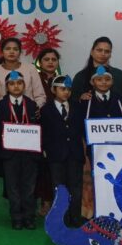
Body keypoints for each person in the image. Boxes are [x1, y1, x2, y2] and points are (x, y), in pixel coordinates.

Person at [0, 70, 40, 230]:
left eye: (19, 83)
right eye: (12, 84)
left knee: (29, 186)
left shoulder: (32, 105)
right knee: (12, 187)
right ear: (6, 87)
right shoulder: (0, 106)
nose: (16, 86)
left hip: (29, 153)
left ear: (24, 85)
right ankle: (16, 217)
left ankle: (29, 216)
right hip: (10, 154)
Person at [72, 37, 122, 143]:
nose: (103, 54)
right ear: (92, 52)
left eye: (107, 51)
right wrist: (80, 99)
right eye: (99, 50)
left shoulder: (120, 76)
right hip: (90, 138)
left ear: (110, 54)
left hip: (118, 137)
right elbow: (72, 106)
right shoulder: (80, 77)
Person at [40, 75, 85, 228]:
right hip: (55, 155)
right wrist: (45, 150)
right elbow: (44, 133)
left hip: (75, 154)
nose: (66, 92)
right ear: (53, 90)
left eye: (69, 89)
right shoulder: (45, 110)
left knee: (76, 188)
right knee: (59, 189)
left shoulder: (78, 108)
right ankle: (61, 219)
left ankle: (75, 218)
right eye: (62, 89)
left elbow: (83, 130)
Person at [84, 66, 122, 156]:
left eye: (107, 79)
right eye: (99, 79)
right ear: (92, 82)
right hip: (94, 150)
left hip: (118, 149)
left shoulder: (120, 98)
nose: (104, 82)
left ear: (112, 81)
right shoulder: (86, 101)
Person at [35, 48, 62, 216]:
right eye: (46, 59)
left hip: (58, 129)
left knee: (57, 166)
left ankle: (59, 201)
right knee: (42, 167)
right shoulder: (35, 79)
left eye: (54, 59)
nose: (50, 62)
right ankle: (45, 201)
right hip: (39, 127)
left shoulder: (62, 80)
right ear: (40, 62)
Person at [0, 37, 46, 109]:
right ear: (2, 52)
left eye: (15, 49)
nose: (11, 52)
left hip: (29, 111)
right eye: (8, 49)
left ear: (20, 52)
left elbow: (40, 95)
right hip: (4, 111)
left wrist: (36, 108)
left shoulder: (31, 68)